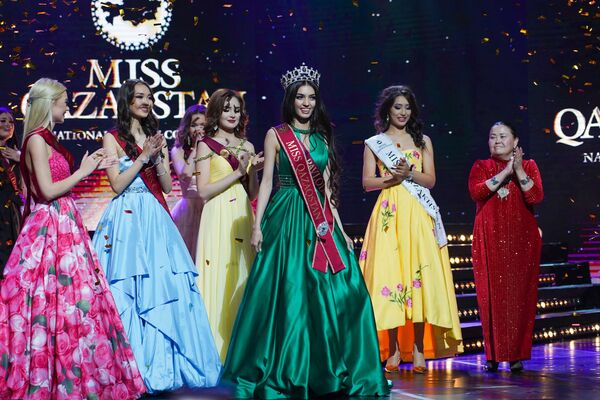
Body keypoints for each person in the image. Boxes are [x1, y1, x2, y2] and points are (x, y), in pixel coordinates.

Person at [222, 65, 390, 398]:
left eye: (311, 97)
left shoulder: (322, 137)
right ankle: (288, 367)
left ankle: (331, 367)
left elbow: (325, 190)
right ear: (291, 99)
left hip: (319, 219)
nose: (306, 103)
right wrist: (257, 225)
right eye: (300, 97)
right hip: (285, 215)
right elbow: (266, 182)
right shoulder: (276, 135)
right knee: (290, 292)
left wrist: (340, 229)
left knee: (347, 289)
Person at [0, 78, 145, 399]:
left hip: (65, 224)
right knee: (51, 301)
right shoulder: (36, 140)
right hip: (48, 227)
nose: (68, 106)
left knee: (73, 303)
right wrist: (83, 171)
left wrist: (91, 167)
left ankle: (74, 376)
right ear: (49, 103)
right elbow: (46, 190)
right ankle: (48, 378)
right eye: (64, 101)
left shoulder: (47, 140)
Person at [92, 79, 221, 392]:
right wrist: (143, 156)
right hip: (126, 217)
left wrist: (159, 156)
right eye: (139, 97)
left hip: (154, 216)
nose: (146, 102)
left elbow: (164, 186)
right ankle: (130, 366)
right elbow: (116, 185)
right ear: (127, 101)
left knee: (161, 286)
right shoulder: (112, 138)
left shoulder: (154, 136)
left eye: (149, 97)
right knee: (128, 288)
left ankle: (163, 363)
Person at [359, 85, 463, 373]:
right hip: (389, 214)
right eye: (397, 107)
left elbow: (430, 180)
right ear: (387, 110)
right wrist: (392, 180)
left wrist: (409, 174)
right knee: (391, 277)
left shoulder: (422, 140)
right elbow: (367, 182)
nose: (403, 112)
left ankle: (418, 348)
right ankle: (392, 349)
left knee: (417, 277)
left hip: (417, 213)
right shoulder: (374, 143)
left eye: (407, 107)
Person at [468, 121, 543, 372]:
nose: (497, 140)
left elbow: (535, 196)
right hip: (489, 238)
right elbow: (477, 193)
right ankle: (492, 354)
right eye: (493, 137)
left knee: (520, 296)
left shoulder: (529, 166)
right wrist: (505, 171)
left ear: (516, 141)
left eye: (503, 136)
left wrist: (518, 169)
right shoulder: (481, 166)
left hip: (523, 240)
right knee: (490, 295)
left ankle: (516, 355)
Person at [194, 89, 262, 361]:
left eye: (236, 109)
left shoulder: (248, 146)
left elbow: (252, 193)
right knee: (219, 275)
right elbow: (203, 191)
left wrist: (252, 172)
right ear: (216, 112)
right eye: (226, 109)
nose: (232, 114)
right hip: (217, 214)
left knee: (242, 275)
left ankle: (242, 352)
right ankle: (215, 353)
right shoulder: (205, 145)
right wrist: (237, 172)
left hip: (242, 214)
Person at [171, 104, 207, 261]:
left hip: (208, 206)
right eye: (194, 125)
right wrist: (197, 147)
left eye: (202, 125)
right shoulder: (178, 150)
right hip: (187, 211)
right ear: (187, 127)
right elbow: (185, 174)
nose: (198, 129)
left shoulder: (213, 150)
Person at [0, 107, 23, 271]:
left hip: (12, 214)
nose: (8, 125)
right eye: (3, 121)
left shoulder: (15, 155)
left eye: (11, 122)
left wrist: (20, 159)